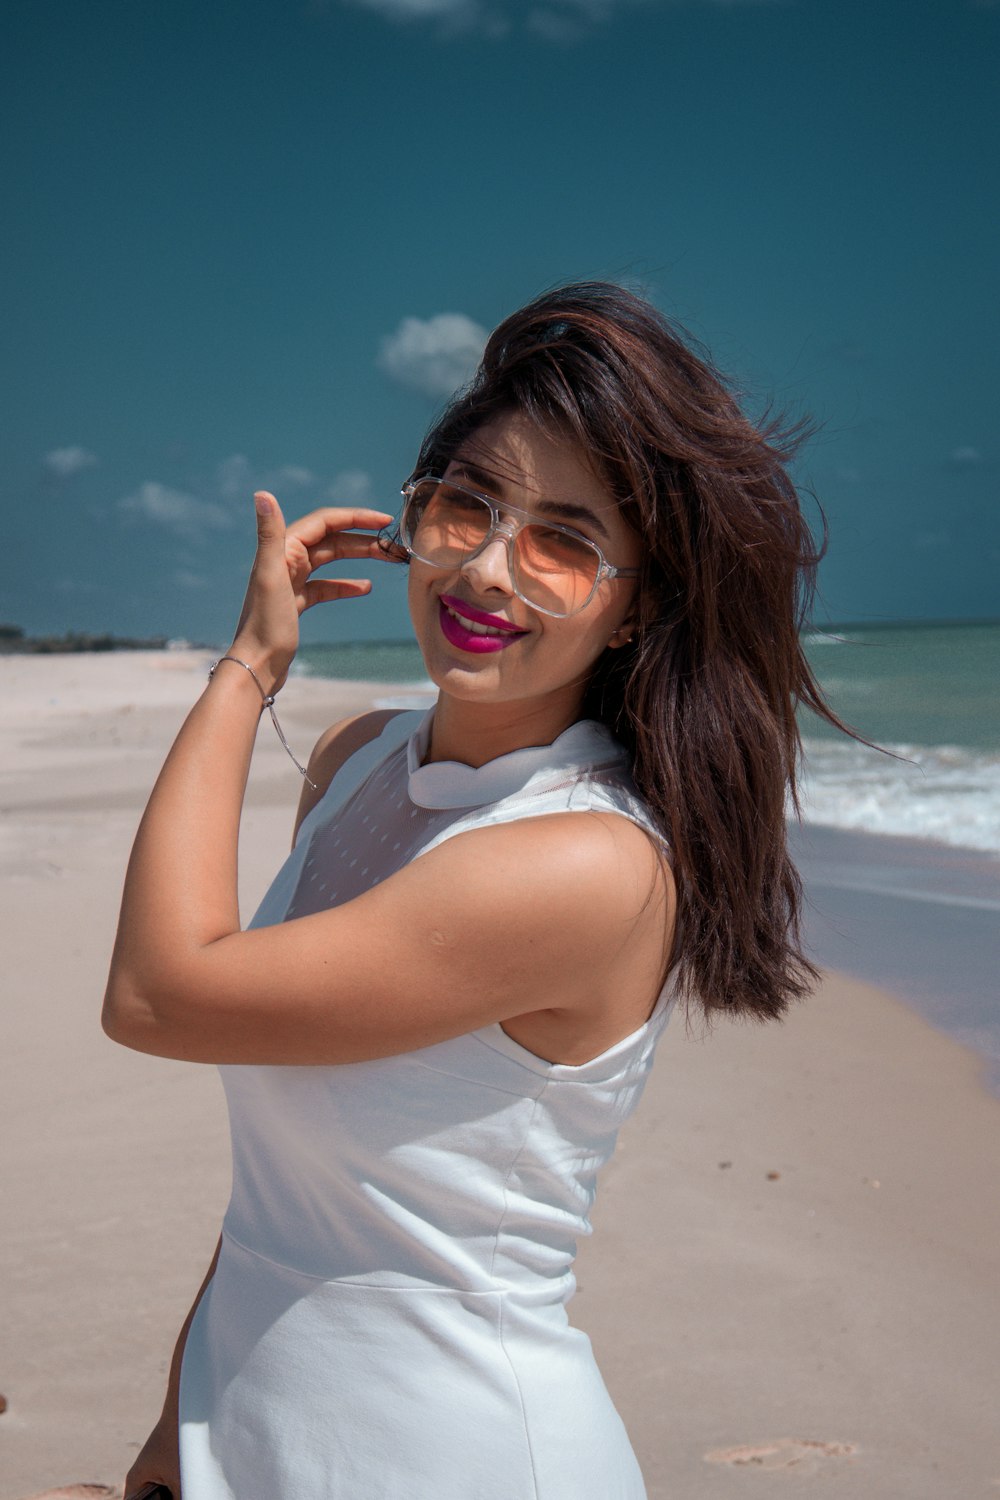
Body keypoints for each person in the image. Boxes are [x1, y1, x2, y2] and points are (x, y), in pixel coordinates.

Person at [104, 281, 840, 1499]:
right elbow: (284, 1207)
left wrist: (247, 667)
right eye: (468, 505)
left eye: (563, 538)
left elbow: (156, 993)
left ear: (633, 606)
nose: (489, 568)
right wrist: (173, 1432)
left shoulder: (584, 863)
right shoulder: (356, 766)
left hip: (453, 1455)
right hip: (255, 1436)